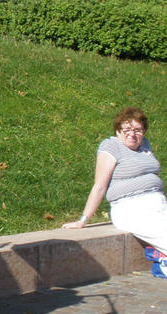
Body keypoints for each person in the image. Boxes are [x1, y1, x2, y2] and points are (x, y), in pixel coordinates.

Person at [63, 107, 167, 274]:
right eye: (127, 129)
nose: (132, 134)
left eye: (138, 130)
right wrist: (83, 220)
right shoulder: (111, 146)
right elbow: (99, 186)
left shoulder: (144, 145)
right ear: (118, 131)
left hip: (158, 206)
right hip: (131, 208)